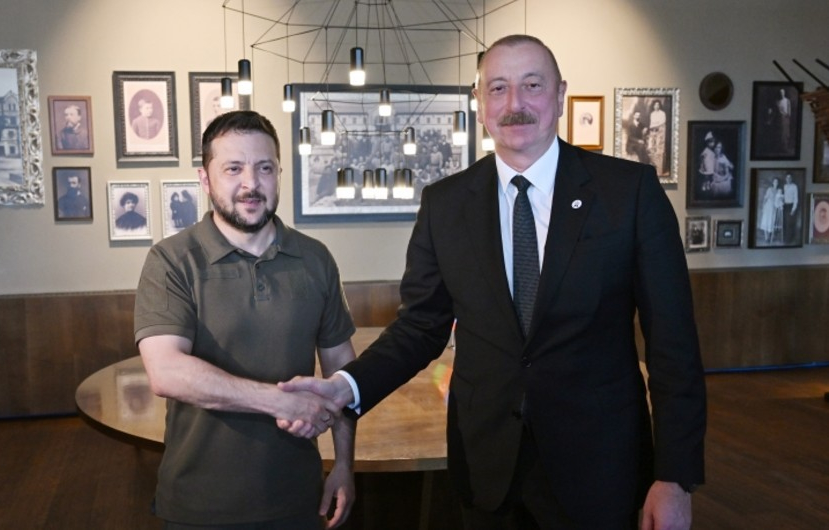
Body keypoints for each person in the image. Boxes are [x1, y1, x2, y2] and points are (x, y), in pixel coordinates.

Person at [280, 35, 706, 529]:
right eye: (498, 88)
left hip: (599, 469)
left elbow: (674, 345)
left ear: (560, 94)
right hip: (486, 469)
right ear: (479, 103)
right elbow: (420, 328)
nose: (514, 103)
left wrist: (675, 477)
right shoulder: (445, 204)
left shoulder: (628, 193)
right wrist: (345, 387)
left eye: (532, 85)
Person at [133, 111, 356, 528]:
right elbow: (166, 372)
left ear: (279, 174)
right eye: (233, 168)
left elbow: (343, 372)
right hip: (199, 505)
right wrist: (280, 402)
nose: (251, 184)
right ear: (205, 179)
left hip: (298, 499)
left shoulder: (315, 258)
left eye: (264, 168)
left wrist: (344, 464)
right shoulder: (172, 260)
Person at [645, 99, 667, 175]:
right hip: (653, 132)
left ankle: (659, 170)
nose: (656, 106)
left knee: (659, 150)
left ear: (659, 106)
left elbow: (662, 122)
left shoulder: (662, 113)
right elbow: (651, 123)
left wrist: (655, 125)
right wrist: (652, 127)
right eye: (655, 105)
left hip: (660, 133)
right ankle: (652, 168)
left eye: (658, 105)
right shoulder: (652, 114)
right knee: (651, 149)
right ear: (653, 106)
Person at [759, 177, 782, 243]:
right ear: (773, 182)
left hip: (774, 207)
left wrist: (779, 205)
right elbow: (765, 198)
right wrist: (763, 207)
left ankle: (770, 236)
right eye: (775, 182)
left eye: (777, 182)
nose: (776, 183)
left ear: (778, 183)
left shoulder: (779, 191)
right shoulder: (769, 189)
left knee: (771, 222)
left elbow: (780, 200)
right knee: (766, 221)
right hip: (768, 207)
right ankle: (766, 238)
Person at [782, 172, 799, 243]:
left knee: (789, 223)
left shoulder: (794, 186)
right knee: (785, 223)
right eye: (787, 178)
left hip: (791, 206)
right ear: (785, 179)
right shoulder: (784, 186)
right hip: (785, 206)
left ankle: (788, 240)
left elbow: (796, 198)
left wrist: (793, 209)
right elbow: (783, 197)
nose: (788, 179)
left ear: (791, 179)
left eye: (790, 178)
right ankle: (785, 239)